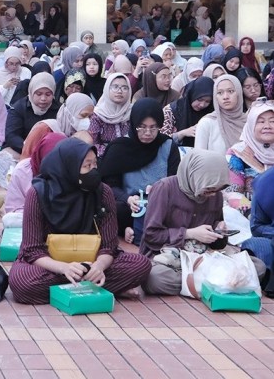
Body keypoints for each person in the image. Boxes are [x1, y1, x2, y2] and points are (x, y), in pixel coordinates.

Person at [8, 138, 152, 304]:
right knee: (21, 282)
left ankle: (73, 288)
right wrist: (64, 268)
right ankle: (97, 288)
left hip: (91, 261)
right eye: (86, 166)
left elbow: (109, 246)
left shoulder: (102, 192)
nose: (93, 171)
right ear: (69, 167)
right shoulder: (39, 193)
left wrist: (98, 267)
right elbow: (32, 250)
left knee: (141, 265)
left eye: (94, 165)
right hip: (50, 264)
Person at [141, 150, 265, 295]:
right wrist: (189, 233)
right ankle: (217, 282)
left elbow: (217, 245)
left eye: (217, 189)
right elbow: (151, 235)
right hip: (171, 258)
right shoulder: (164, 188)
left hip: (205, 257)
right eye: (208, 189)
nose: (212, 194)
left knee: (258, 266)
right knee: (155, 278)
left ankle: (201, 282)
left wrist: (219, 232)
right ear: (195, 177)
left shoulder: (216, 195)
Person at [100, 99, 180, 244]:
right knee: (112, 209)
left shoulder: (167, 146)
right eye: (142, 127)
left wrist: (159, 192)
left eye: (153, 127)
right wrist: (128, 199)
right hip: (130, 205)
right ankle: (126, 229)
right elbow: (109, 185)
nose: (148, 133)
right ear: (134, 124)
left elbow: (174, 180)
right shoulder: (120, 147)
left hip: (160, 203)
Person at [5, 130, 65, 226]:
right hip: (28, 222)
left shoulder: (72, 170)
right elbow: (14, 209)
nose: (54, 165)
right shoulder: (23, 170)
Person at [226, 101, 274, 198]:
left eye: (272, 121)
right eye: (261, 121)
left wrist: (262, 171)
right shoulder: (238, 153)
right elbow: (233, 193)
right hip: (248, 210)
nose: (267, 126)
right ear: (251, 125)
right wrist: (250, 211)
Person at [5, 73, 59, 154]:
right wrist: (31, 148)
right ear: (31, 92)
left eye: (48, 94)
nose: (43, 98)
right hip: (22, 150)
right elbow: (12, 136)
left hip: (50, 152)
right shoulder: (18, 108)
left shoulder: (59, 109)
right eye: (39, 94)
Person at [194, 74, 246, 154]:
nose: (225, 97)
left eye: (230, 91)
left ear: (239, 92)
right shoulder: (207, 123)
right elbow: (198, 157)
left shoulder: (248, 121)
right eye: (220, 93)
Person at [88, 73, 133, 157]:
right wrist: (112, 152)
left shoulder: (133, 111)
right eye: (115, 87)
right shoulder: (98, 114)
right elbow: (92, 142)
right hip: (105, 157)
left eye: (124, 88)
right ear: (107, 89)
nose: (120, 91)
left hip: (130, 154)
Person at [161, 76, 213, 147]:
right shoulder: (171, 110)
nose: (202, 105)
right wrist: (183, 133)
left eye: (207, 101)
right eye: (200, 99)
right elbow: (161, 140)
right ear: (192, 95)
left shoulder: (212, 113)